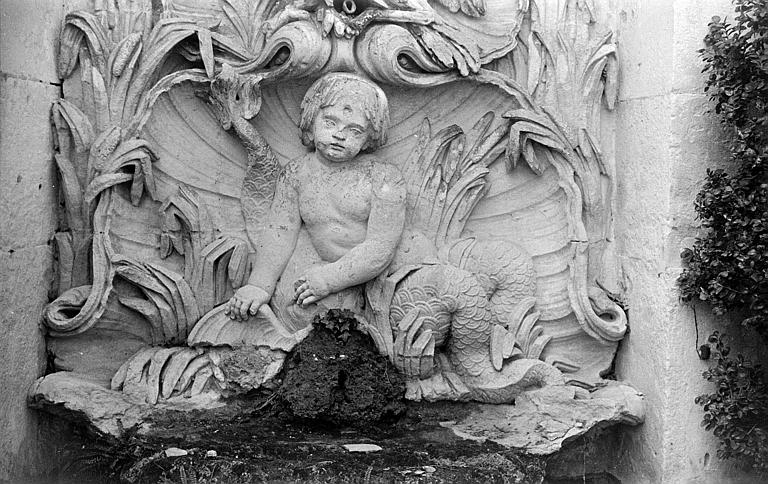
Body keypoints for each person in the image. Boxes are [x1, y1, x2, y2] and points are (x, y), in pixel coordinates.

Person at [225, 73, 406, 328]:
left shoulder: (383, 178)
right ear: (311, 120)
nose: (340, 135)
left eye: (354, 130)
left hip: (373, 276)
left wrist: (330, 278)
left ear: (369, 137)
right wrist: (259, 285)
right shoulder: (297, 174)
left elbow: (380, 248)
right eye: (330, 122)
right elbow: (280, 232)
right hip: (323, 270)